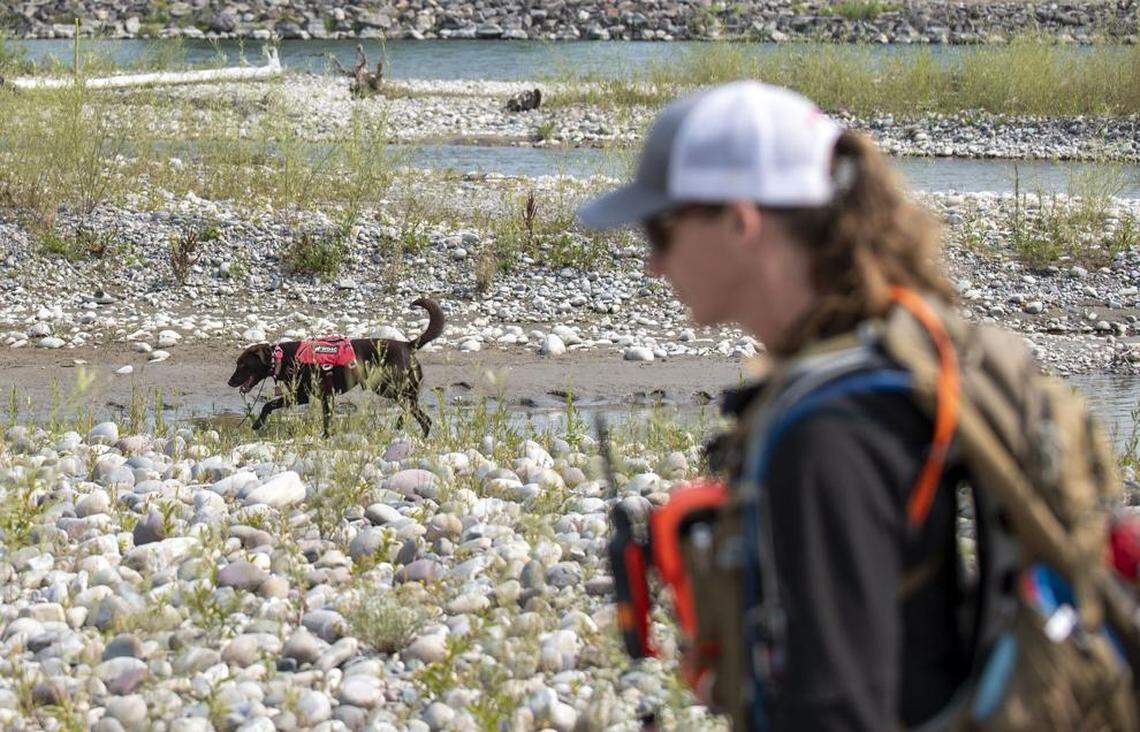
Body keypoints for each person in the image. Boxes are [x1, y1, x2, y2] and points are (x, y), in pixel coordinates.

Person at [577, 81, 971, 730]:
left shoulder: (829, 434)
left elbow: (838, 709)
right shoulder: (871, 374)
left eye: (660, 229)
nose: (651, 264)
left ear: (740, 223)